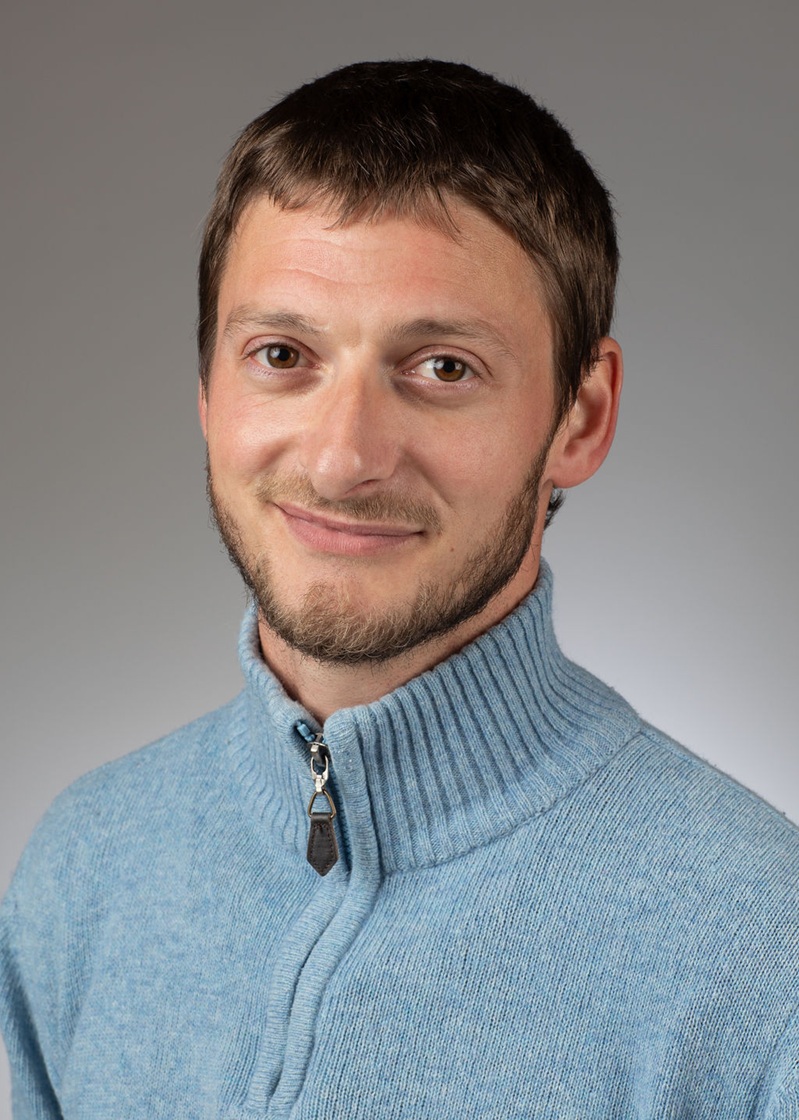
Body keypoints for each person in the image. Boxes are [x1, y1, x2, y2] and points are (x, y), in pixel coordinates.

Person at [1, 58, 798, 1120]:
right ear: (206, 387)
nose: (342, 460)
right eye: (281, 353)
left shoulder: (762, 949)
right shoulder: (83, 867)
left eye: (442, 369)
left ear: (582, 417)